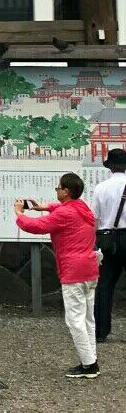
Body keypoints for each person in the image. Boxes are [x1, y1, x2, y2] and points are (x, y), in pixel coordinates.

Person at [14, 173, 100, 379]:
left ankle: (89, 366)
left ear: (66, 191)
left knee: (74, 320)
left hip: (73, 272)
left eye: (58, 188)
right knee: (88, 318)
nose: (56, 190)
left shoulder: (65, 214)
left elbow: (35, 226)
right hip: (90, 269)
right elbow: (61, 209)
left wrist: (19, 213)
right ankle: (91, 360)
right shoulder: (82, 207)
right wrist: (42, 207)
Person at [92, 147, 126, 343]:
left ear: (110, 167)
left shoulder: (101, 188)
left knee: (104, 285)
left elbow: (95, 219)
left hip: (108, 239)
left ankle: (101, 331)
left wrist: (94, 243)